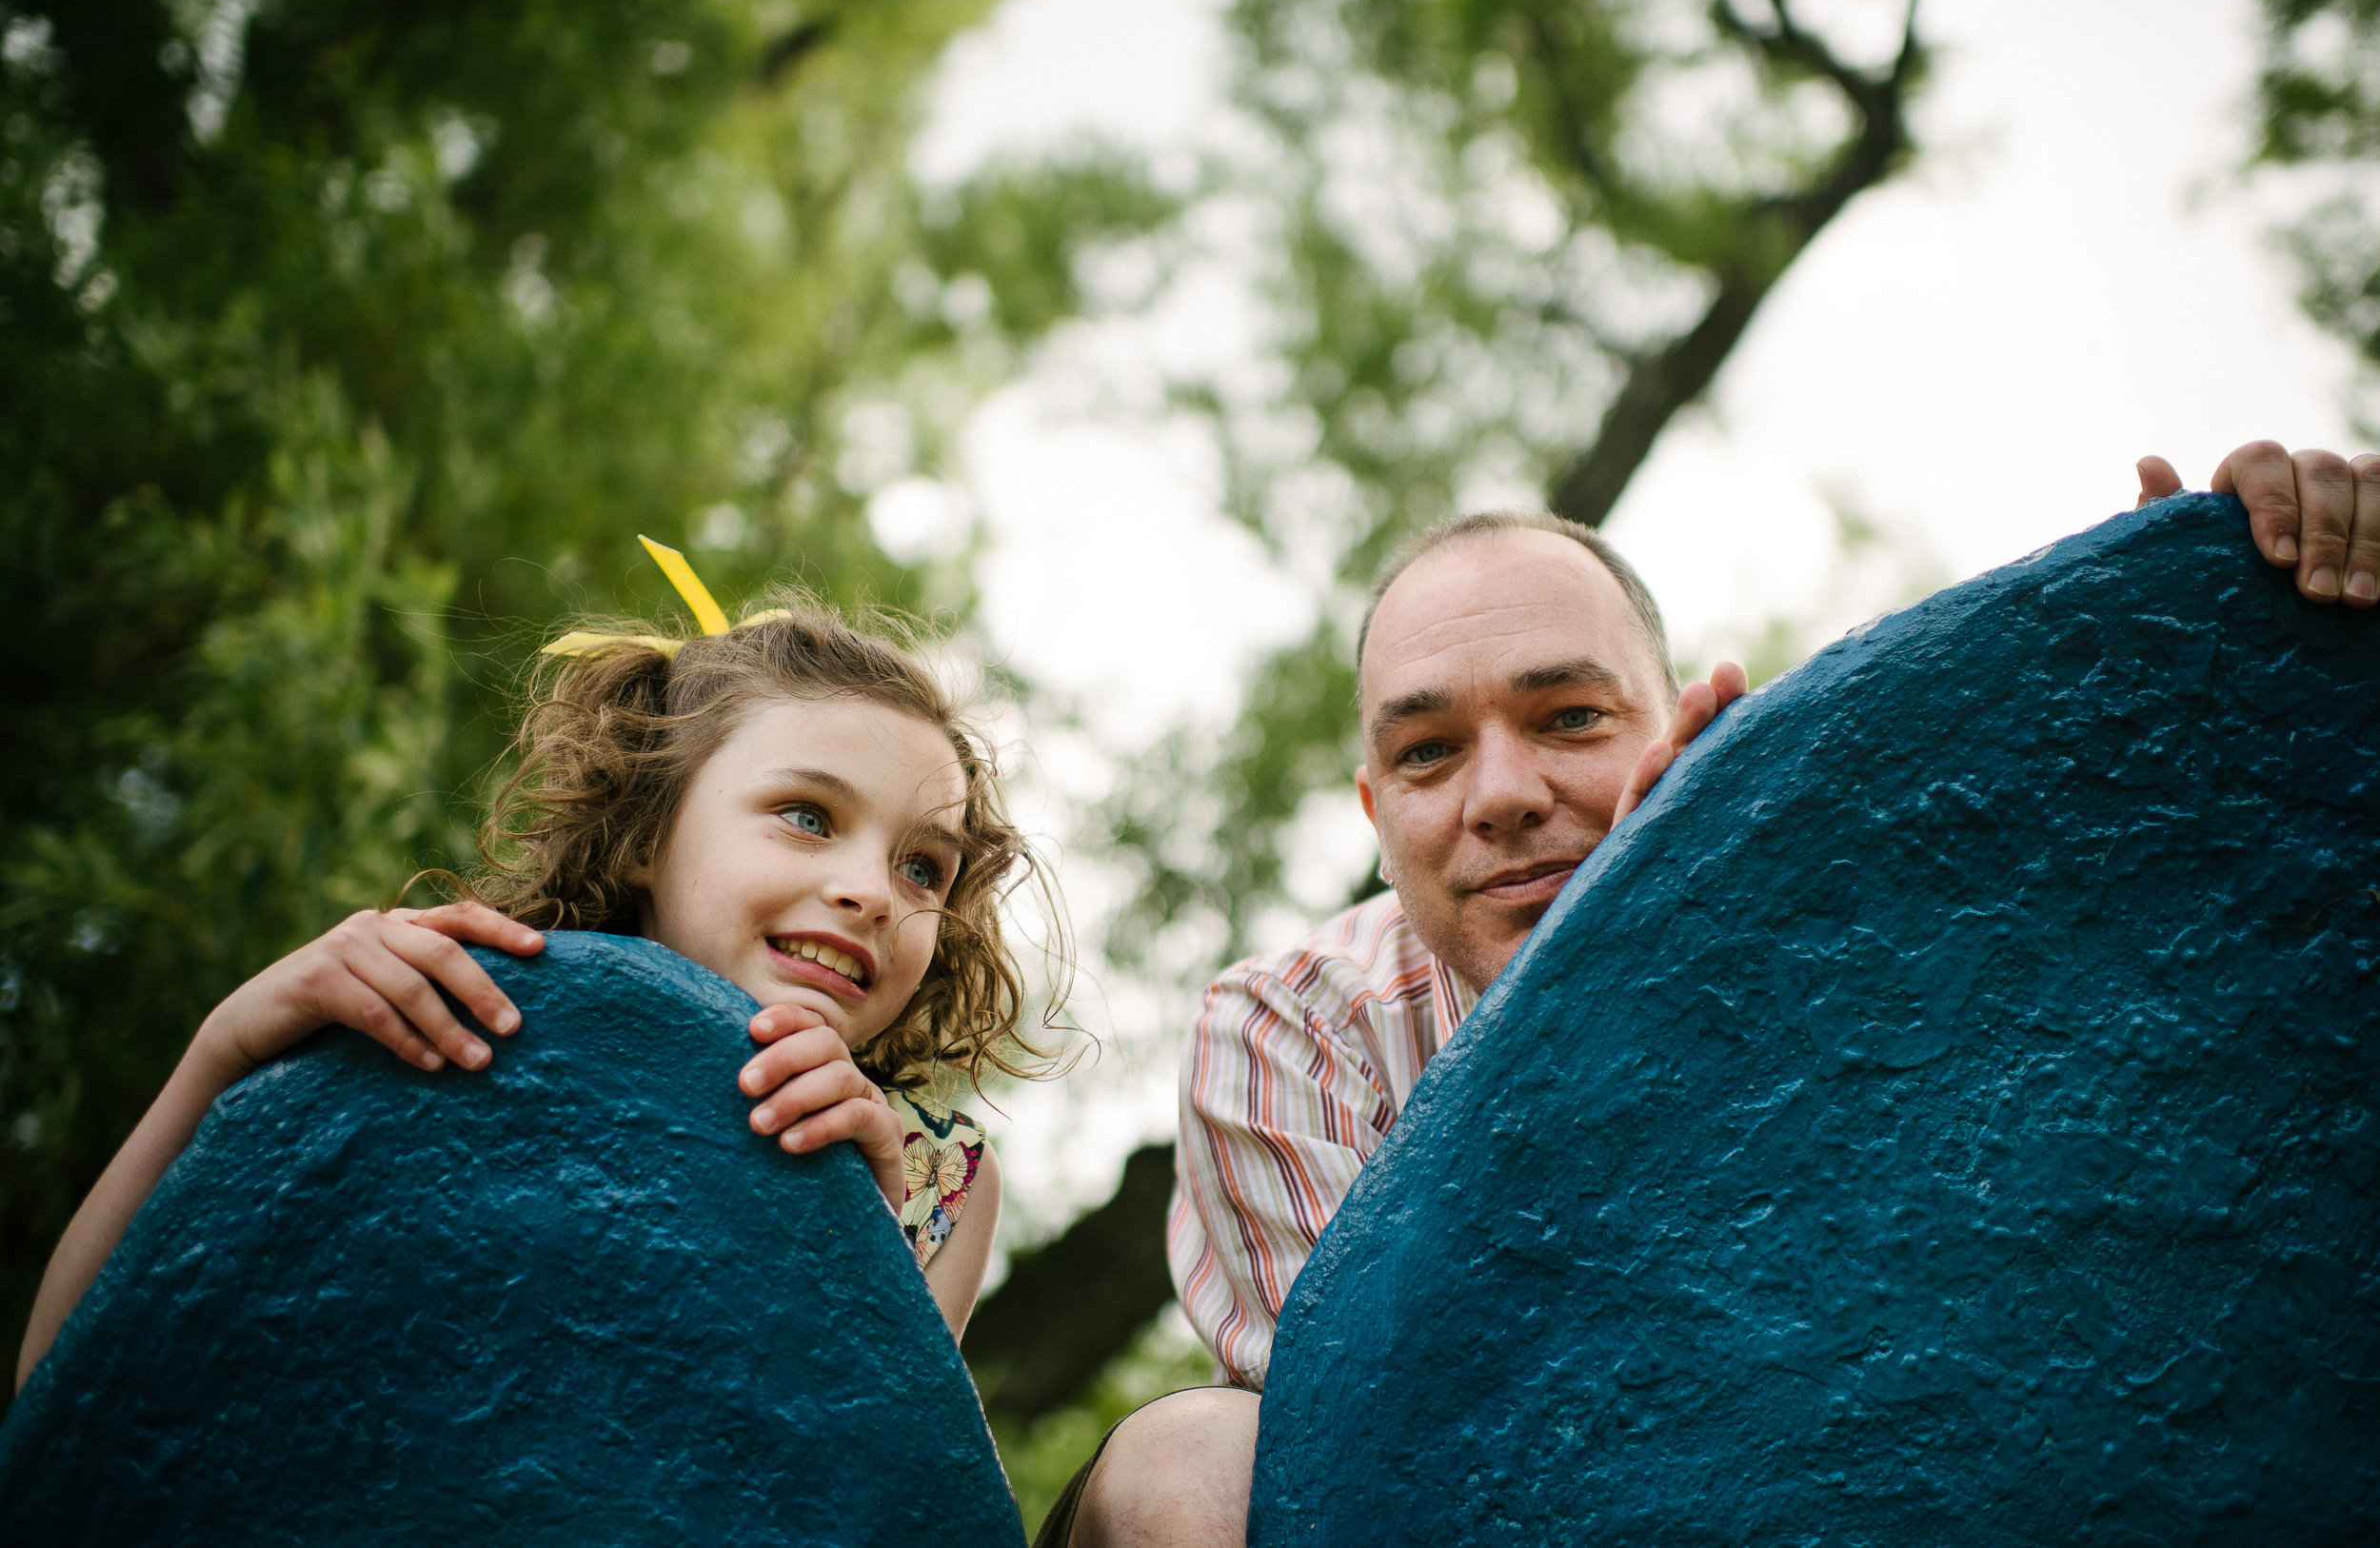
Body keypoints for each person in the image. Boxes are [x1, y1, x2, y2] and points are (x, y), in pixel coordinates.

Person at [1045, 441, 2379, 1548]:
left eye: (1570, 719)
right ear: (1376, 812)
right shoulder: (1287, 1026)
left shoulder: (1862, 936)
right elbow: (1412, 1421)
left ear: (1689, 734)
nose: (1502, 796)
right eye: (1429, 751)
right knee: (1192, 1460)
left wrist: (2188, 644)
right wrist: (1602, 1004)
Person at [15, 544, 1060, 1389]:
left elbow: (876, 1497)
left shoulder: (937, 1183)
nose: (872, 890)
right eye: (805, 816)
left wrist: (854, 1227)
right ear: (649, 830)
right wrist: (225, 1047)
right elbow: (65, 1381)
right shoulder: (444, 1016)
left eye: (923, 865)